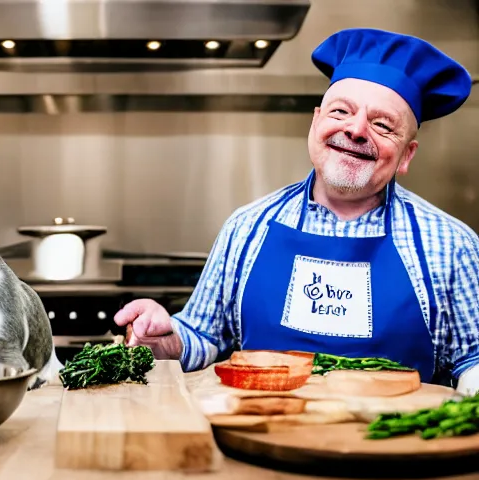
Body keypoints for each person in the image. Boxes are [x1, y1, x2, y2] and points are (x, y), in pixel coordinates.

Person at [114, 28, 478, 394]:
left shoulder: (451, 245)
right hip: (262, 434)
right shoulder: (248, 226)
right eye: (341, 111)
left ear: (406, 155)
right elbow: (203, 337)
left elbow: (473, 360)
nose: (355, 129)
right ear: (316, 121)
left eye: (382, 125)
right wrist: (162, 338)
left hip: (397, 444)